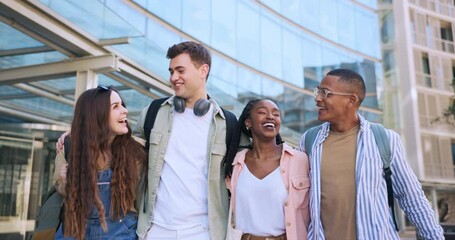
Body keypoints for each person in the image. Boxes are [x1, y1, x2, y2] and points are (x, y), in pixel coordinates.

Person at [299, 68, 444, 239]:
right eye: (318, 91)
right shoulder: (309, 140)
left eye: (325, 93)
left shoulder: (385, 139)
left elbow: (411, 197)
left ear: (351, 100)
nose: (318, 98)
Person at [132, 41, 238, 240]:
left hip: (204, 232)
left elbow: (257, 154)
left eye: (180, 70)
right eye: (171, 71)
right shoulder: (153, 113)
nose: (173, 78)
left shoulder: (228, 123)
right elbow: (123, 149)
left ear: (203, 70)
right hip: (155, 230)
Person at [54, 86, 146, 239]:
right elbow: (61, 188)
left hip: (121, 232)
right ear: (96, 114)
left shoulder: (137, 149)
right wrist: (65, 182)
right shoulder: (70, 147)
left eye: (122, 104)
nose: (125, 110)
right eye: (115, 106)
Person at [226, 99, 310, 240]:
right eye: (262, 112)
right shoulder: (235, 165)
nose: (271, 116)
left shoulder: (300, 161)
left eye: (276, 114)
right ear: (248, 123)